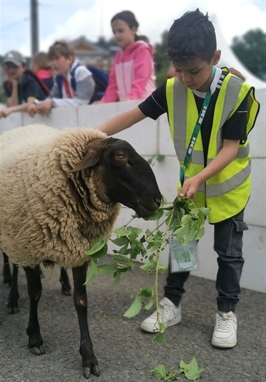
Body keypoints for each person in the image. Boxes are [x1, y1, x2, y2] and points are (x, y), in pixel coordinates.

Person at [96, 9, 260, 348]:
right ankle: (172, 304)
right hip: (192, 188)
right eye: (179, 69)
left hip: (227, 189)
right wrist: (87, 135)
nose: (185, 78)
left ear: (214, 57)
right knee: (181, 246)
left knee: (228, 253)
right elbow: (132, 116)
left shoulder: (236, 93)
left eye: (194, 71)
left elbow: (230, 149)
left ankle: (226, 314)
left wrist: (200, 177)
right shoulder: (172, 89)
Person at [100, 10, 156, 103]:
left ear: (133, 30)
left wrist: (132, 97)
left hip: (147, 105)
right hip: (128, 105)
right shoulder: (118, 56)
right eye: (114, 32)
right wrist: (104, 102)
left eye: (120, 31)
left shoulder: (142, 50)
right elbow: (113, 85)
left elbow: (141, 78)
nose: (117, 35)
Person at [28, 40, 95, 117]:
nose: (54, 63)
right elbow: (51, 98)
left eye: (57, 59)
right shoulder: (59, 78)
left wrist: (52, 103)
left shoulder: (81, 72)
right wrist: (36, 104)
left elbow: (81, 102)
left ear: (69, 59)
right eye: (52, 60)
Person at [0, 50, 47, 119]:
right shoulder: (8, 84)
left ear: (24, 67)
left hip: (43, 119)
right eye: (9, 66)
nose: (12, 69)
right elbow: (13, 106)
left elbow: (31, 103)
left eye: (15, 66)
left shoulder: (30, 81)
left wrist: (10, 109)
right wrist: (14, 85)